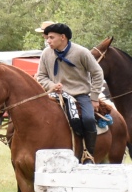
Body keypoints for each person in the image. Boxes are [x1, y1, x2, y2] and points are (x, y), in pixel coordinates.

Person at [35, 22, 104, 164]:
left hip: (80, 95)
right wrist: (52, 85)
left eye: (51, 38)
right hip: (55, 95)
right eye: (47, 38)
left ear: (63, 37)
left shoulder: (81, 52)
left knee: (89, 119)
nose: (48, 41)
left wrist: (95, 97)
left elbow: (97, 73)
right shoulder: (46, 53)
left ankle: (88, 154)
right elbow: (41, 76)